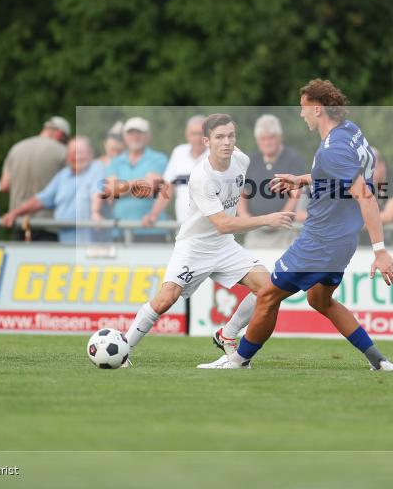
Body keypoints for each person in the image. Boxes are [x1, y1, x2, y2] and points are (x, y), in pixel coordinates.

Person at [200, 79, 393, 371]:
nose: (301, 113)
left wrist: (380, 251)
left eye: (303, 107)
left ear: (318, 109)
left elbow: (366, 196)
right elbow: (340, 175)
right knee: (320, 300)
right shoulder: (350, 131)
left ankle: (238, 360)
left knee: (267, 295)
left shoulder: (332, 149)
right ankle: (379, 360)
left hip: (320, 240)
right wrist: (302, 179)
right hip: (342, 240)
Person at [123, 114, 296, 364]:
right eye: (219, 137)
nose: (226, 142)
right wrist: (267, 219)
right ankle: (124, 348)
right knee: (165, 299)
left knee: (269, 288)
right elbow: (223, 224)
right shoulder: (201, 177)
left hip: (224, 246)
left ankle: (227, 334)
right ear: (206, 141)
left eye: (231, 136)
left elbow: (229, 216)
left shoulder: (241, 160)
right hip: (194, 247)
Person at [1, 136, 104, 244]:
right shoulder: (63, 175)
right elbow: (41, 199)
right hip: (66, 241)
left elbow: (97, 191)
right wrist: (14, 213)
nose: (76, 156)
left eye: (80, 152)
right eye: (72, 152)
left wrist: (95, 212)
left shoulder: (97, 168)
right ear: (67, 156)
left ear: (90, 153)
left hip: (91, 243)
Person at [94, 116, 168, 242]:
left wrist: (121, 188)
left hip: (151, 229)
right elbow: (110, 191)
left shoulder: (158, 158)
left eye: (140, 133)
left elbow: (152, 189)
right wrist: (138, 183)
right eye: (131, 133)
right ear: (124, 136)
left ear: (148, 136)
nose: (135, 137)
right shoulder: (115, 161)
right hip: (119, 230)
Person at [237, 114, 306, 248]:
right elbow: (242, 193)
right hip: (256, 231)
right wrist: (247, 219)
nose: (267, 142)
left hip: (285, 231)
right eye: (263, 139)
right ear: (257, 140)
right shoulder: (250, 161)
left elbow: (296, 195)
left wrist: (281, 219)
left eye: (271, 138)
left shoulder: (294, 160)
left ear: (280, 138)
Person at [0, 116, 69, 241]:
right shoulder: (63, 152)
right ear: (60, 134)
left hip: (17, 222)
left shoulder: (16, 148)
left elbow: (4, 185)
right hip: (48, 224)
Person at [149, 115, 207, 225]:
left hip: (212, 228)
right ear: (187, 135)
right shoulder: (179, 152)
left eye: (201, 134)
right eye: (194, 134)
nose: (198, 138)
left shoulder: (217, 154)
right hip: (183, 225)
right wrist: (154, 214)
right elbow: (168, 187)